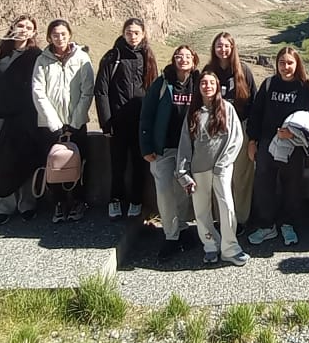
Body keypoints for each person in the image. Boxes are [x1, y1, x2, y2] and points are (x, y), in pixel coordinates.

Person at [246, 46, 309, 247]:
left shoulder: (303, 87)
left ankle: (288, 224)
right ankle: (266, 225)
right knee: (264, 185)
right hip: (267, 144)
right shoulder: (269, 84)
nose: (285, 67)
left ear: (297, 64)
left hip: (293, 146)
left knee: (292, 186)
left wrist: (294, 134)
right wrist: (252, 140)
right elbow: (256, 113)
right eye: (281, 63)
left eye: (289, 63)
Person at [177, 71, 250, 267]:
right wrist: (183, 172)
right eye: (203, 83)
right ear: (199, 87)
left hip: (222, 168)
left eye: (211, 83)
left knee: (227, 207)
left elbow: (236, 139)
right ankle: (210, 246)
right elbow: (185, 143)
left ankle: (230, 248)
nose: (207, 86)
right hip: (199, 168)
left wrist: (222, 163)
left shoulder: (227, 108)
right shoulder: (193, 112)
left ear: (217, 86)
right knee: (201, 210)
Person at [0, 15, 43, 226]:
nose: (23, 30)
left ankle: (27, 205)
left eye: (28, 27)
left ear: (33, 33)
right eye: (20, 25)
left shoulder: (36, 55)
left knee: (26, 161)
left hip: (27, 119)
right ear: (12, 27)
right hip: (0, 119)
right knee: (2, 164)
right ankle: (4, 207)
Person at [31, 19, 97, 223]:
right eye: (55, 34)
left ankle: (78, 201)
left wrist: (74, 122)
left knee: (79, 164)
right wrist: (55, 123)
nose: (59, 38)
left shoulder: (82, 58)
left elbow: (87, 91)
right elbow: (38, 91)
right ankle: (58, 203)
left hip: (76, 124)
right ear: (49, 37)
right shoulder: (42, 60)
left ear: (70, 35)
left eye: (63, 34)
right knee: (53, 165)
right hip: (50, 126)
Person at [141, 45, 202, 260]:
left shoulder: (199, 82)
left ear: (194, 60)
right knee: (165, 191)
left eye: (187, 56)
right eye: (179, 56)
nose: (183, 59)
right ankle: (170, 235)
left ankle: (182, 228)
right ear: (174, 60)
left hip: (190, 148)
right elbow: (147, 114)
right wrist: (146, 146)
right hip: (164, 147)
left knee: (183, 191)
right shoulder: (162, 83)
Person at [94, 18, 158, 221]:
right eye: (129, 32)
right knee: (118, 164)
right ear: (123, 33)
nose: (133, 36)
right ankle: (115, 200)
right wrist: (106, 122)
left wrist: (152, 120)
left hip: (140, 122)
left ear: (143, 34)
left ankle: (136, 201)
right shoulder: (112, 57)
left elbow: (153, 89)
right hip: (118, 121)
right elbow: (101, 91)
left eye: (136, 33)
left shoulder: (148, 56)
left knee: (140, 164)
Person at [202, 32, 257, 231]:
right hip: (215, 131)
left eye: (226, 46)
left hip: (241, 128)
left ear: (233, 48)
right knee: (218, 175)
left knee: (241, 176)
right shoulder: (209, 70)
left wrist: (253, 137)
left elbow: (254, 103)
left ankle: (240, 219)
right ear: (214, 48)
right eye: (219, 46)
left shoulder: (243, 70)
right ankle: (221, 219)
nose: (223, 49)